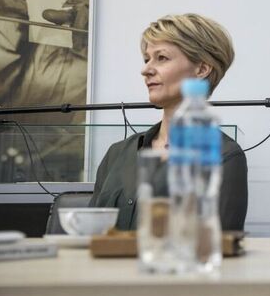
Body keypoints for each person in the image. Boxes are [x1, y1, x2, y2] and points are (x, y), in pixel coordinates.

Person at [90, 14, 248, 231]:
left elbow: (217, 247)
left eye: (161, 58)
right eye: (147, 59)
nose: (146, 70)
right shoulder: (117, 153)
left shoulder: (225, 156)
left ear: (202, 69)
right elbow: (89, 237)